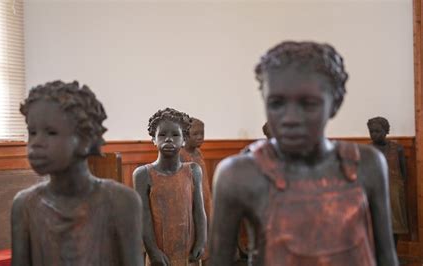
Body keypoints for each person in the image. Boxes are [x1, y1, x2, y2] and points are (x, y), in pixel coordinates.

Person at [210, 41, 397, 266]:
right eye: (277, 103)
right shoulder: (239, 175)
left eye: (308, 104)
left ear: (335, 103)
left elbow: (387, 258)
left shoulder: (367, 165)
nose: (290, 118)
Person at [11, 80, 143, 266]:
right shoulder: (24, 206)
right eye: (32, 132)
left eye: (51, 133)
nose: (36, 143)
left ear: (85, 140)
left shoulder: (121, 201)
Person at [133, 108, 206, 266]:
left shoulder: (193, 171)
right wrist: (153, 252)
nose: (168, 140)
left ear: (184, 139)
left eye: (175, 135)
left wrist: (201, 242)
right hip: (160, 256)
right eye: (162, 135)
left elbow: (199, 211)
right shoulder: (143, 174)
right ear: (153, 139)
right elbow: (143, 218)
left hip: (189, 252)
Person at [368, 116, 409, 247]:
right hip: (375, 192)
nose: (374, 135)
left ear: (386, 131)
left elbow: (403, 172)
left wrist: (397, 186)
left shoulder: (397, 149)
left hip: (394, 192)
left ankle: (393, 255)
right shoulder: (368, 150)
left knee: (394, 223)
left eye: (377, 131)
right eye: (371, 131)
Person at [180, 117, 212, 265]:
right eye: (196, 134)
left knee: (207, 239)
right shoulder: (180, 155)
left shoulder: (198, 153)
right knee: (193, 240)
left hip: (205, 200)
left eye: (202, 133)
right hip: (191, 203)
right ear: (185, 135)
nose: (200, 137)